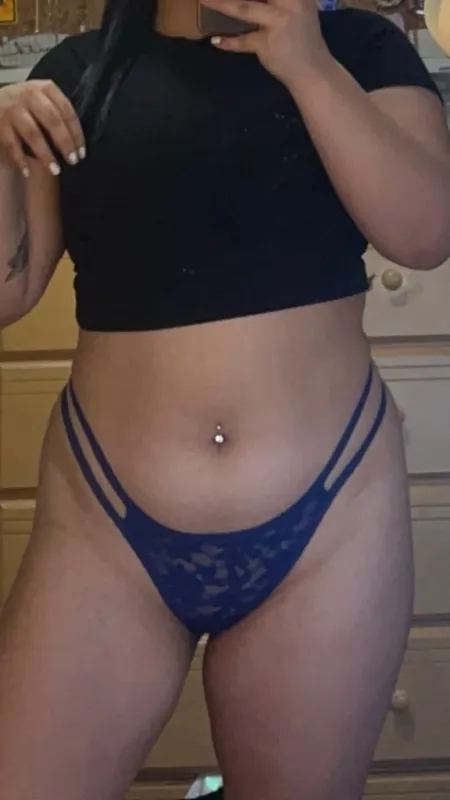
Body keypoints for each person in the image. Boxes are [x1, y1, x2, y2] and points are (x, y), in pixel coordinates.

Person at [0, 0, 449, 796]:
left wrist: (308, 65)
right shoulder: (80, 73)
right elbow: (11, 287)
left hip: (329, 526)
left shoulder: (359, 47)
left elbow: (425, 232)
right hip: (106, 532)